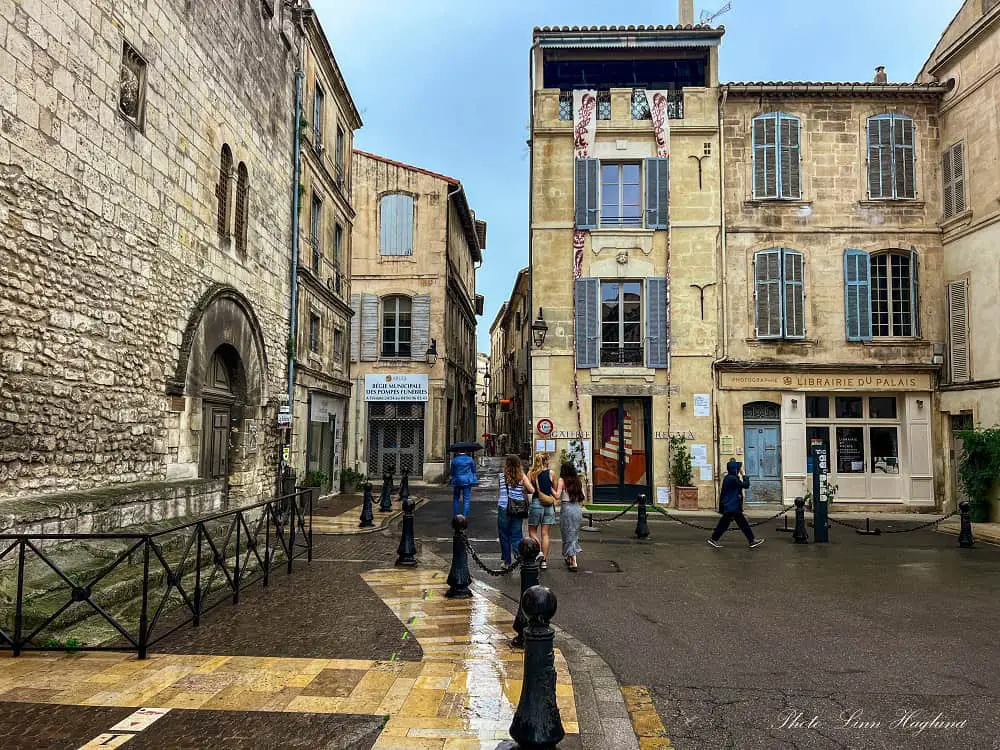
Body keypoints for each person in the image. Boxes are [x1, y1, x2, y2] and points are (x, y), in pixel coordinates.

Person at [708, 460, 765, 549]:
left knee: (725, 524)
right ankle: (752, 540)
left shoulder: (728, 477)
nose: (739, 470)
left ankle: (713, 539)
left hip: (730, 505)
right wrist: (744, 475)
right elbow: (746, 485)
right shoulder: (732, 479)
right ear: (735, 470)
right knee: (742, 524)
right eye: (738, 469)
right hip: (732, 505)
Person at [498, 454, 534, 565]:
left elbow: (501, 490)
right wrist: (522, 490)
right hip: (518, 508)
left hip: (504, 507)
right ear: (519, 464)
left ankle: (506, 561)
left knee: (504, 535)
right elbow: (532, 490)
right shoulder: (522, 476)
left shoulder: (501, 476)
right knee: (517, 534)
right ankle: (520, 558)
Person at [527, 453, 559, 569]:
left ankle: (539, 551)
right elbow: (553, 489)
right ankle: (544, 561)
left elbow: (528, 489)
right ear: (547, 461)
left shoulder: (532, 473)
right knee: (545, 533)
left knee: (532, 530)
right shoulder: (551, 473)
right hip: (549, 505)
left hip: (536, 503)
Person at [558, 462, 584, 571]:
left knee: (567, 533)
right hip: (577, 508)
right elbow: (582, 497)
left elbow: (557, 495)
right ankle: (569, 557)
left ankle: (573, 560)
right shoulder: (578, 480)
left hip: (566, 508)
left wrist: (549, 490)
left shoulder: (562, 480)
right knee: (574, 534)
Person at [450, 449, 478, 518]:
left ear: (458, 451)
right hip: (467, 481)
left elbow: (452, 472)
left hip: (457, 481)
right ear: (466, 451)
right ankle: (464, 517)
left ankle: (456, 516)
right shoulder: (470, 459)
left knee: (456, 498)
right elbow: (474, 470)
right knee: (466, 500)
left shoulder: (454, 459)